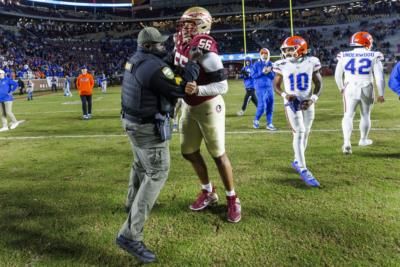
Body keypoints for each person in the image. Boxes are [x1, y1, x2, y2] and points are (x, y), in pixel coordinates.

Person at [116, 27, 198, 264]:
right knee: (157, 172)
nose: (164, 47)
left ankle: (131, 205)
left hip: (132, 122)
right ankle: (130, 234)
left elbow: (163, 73)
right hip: (147, 128)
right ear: (150, 46)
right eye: (160, 44)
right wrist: (190, 70)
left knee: (140, 166)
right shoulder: (154, 68)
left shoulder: (137, 59)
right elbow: (180, 88)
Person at [174, 6, 241, 223]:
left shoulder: (206, 48)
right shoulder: (180, 42)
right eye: (184, 23)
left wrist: (199, 90)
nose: (185, 27)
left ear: (202, 24)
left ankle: (233, 198)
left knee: (218, 154)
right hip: (188, 105)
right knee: (188, 151)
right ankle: (208, 191)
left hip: (209, 105)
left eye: (190, 24)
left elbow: (222, 85)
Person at [273, 36, 323, 187]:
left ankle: (297, 160)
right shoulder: (281, 64)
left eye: (290, 49)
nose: (287, 52)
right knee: (299, 132)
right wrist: (284, 95)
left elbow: (319, 82)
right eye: (285, 50)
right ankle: (303, 167)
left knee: (306, 132)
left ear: (300, 49)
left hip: (307, 101)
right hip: (291, 102)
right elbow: (276, 85)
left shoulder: (312, 61)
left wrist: (313, 99)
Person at [335, 31, 385, 154]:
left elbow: (337, 75)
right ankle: (363, 139)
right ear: (366, 42)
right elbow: (380, 77)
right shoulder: (374, 55)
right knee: (365, 114)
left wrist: (341, 87)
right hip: (367, 86)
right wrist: (381, 93)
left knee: (348, 115)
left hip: (349, 86)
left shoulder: (344, 55)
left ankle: (347, 142)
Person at [251, 48, 276, 130]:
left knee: (270, 106)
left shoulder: (270, 64)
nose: (264, 55)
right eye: (262, 53)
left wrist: (269, 72)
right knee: (262, 106)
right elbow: (253, 76)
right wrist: (262, 72)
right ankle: (256, 120)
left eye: (266, 53)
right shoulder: (256, 64)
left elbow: (273, 77)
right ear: (260, 54)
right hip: (260, 87)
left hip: (269, 87)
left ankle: (269, 123)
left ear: (268, 54)